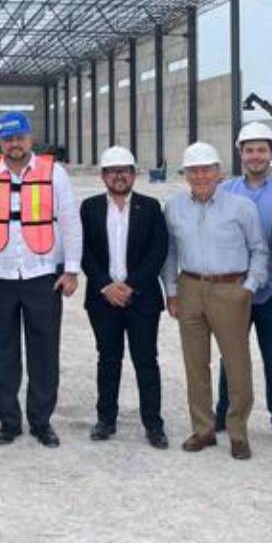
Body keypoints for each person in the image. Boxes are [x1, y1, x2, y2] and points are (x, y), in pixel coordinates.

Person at [0, 112, 82, 448]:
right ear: (0, 142)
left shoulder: (54, 172)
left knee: (44, 351)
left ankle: (41, 421)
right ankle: (9, 421)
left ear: (29, 138)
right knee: (2, 352)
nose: (14, 144)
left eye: (19, 138)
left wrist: (71, 269)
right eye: (8, 139)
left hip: (42, 274)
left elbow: (69, 221)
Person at [162, 142, 269, 460]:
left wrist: (249, 287)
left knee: (237, 365)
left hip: (230, 289)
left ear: (219, 172)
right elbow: (170, 252)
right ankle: (203, 429)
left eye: (207, 170)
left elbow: (259, 249)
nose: (200, 176)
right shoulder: (174, 207)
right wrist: (171, 291)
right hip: (190, 287)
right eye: (193, 171)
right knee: (195, 364)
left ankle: (237, 432)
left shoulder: (241, 207)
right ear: (185, 175)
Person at [214, 122, 272, 448]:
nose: (255, 156)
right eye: (249, 150)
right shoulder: (226, 191)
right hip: (234, 290)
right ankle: (224, 412)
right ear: (240, 153)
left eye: (261, 150)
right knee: (230, 356)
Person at [80, 147, 169, 449]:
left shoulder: (151, 207)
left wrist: (130, 285)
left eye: (125, 170)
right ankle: (106, 420)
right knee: (108, 359)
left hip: (141, 298)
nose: (119, 176)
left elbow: (158, 251)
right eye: (112, 171)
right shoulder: (90, 207)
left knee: (146, 360)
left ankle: (153, 425)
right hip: (103, 299)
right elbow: (84, 251)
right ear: (103, 176)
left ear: (134, 174)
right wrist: (106, 285)